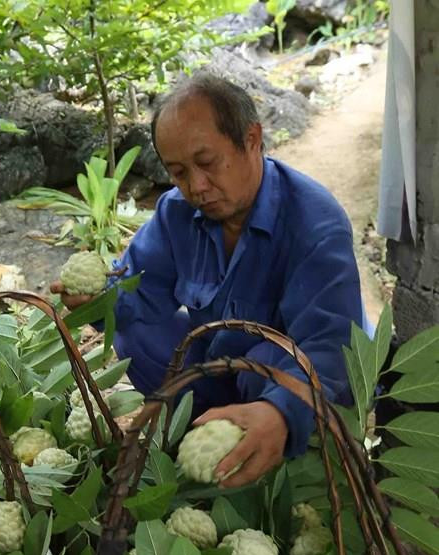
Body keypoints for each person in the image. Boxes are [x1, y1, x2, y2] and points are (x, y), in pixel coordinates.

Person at [52, 73, 363, 488]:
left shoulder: (315, 224)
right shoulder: (175, 213)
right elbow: (137, 290)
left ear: (252, 138)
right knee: (135, 333)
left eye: (207, 163)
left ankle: (280, 449)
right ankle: (198, 429)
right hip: (221, 362)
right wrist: (96, 298)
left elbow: (330, 347)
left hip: (293, 376)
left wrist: (283, 410)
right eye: (178, 171)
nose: (196, 186)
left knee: (266, 368)